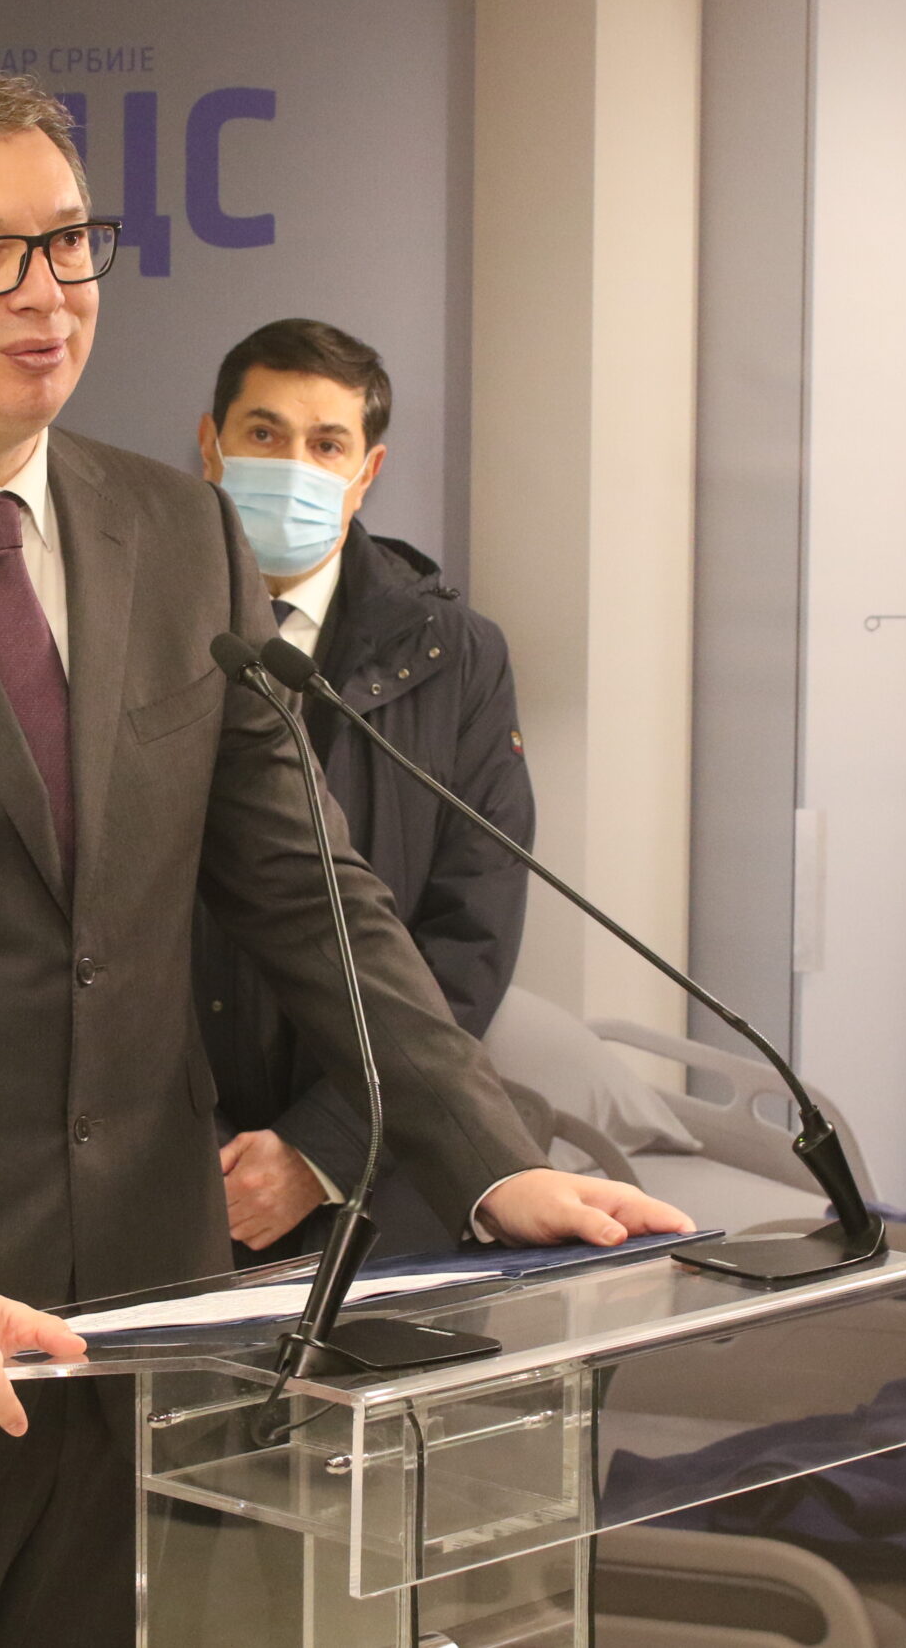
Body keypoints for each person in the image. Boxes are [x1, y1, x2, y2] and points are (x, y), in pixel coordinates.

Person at [0, 62, 691, 1648]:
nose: (44, 291)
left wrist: (488, 1150)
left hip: (136, 1353)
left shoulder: (179, 533)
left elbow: (309, 888)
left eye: (68, 241)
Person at [194, 319, 537, 1259]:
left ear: (367, 470)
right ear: (210, 445)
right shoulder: (122, 624)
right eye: (264, 434)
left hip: (382, 1178)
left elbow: (471, 932)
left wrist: (325, 1148)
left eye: (326, 444)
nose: (293, 465)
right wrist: (188, 1150)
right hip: (159, 1167)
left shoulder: (456, 656)